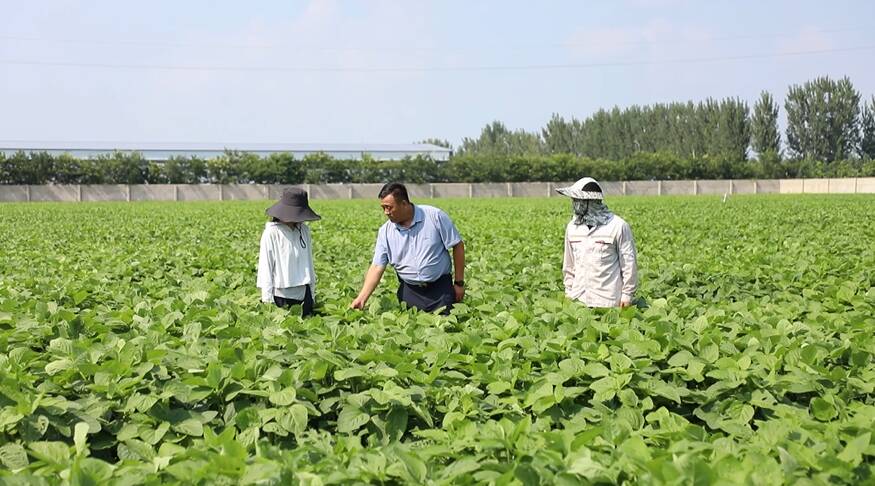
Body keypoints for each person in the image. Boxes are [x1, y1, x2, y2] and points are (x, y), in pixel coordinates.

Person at [351, 182, 465, 313]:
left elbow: (457, 245)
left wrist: (459, 283)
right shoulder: (385, 232)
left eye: (389, 207)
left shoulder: (435, 217)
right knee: (411, 327)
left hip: (440, 290)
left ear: (404, 204)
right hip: (410, 292)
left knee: (445, 328)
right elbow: (377, 266)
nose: (386, 212)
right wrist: (361, 298)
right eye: (383, 208)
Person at [557, 177, 638, 308]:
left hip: (607, 301)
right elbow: (569, 265)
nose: (574, 204)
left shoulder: (618, 226)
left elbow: (629, 264)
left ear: (590, 201)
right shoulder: (572, 227)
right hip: (579, 300)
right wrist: (568, 292)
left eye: (577, 200)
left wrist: (627, 295)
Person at [257, 188, 321, 316]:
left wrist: (312, 294)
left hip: (304, 294)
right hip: (281, 297)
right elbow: (266, 267)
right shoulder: (272, 233)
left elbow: (309, 262)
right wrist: (267, 300)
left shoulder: (304, 230)